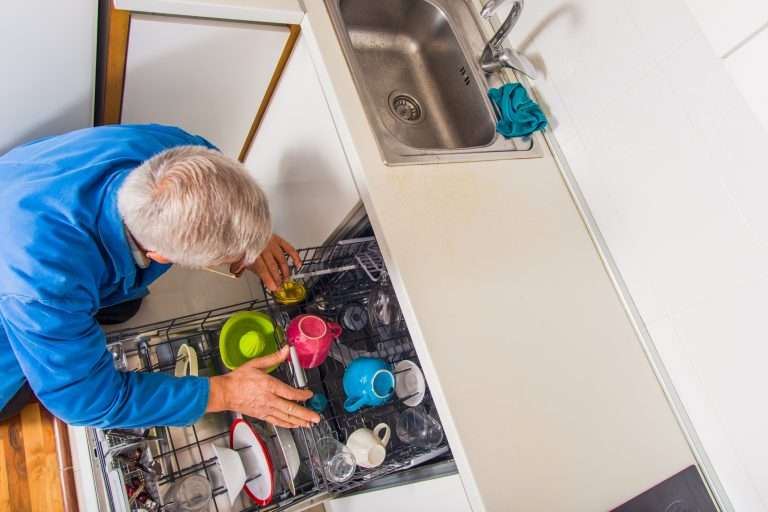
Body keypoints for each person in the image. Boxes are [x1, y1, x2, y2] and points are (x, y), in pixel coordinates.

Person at [0, 124, 321, 429]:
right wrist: (226, 392)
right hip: (12, 295)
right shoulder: (44, 286)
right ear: (159, 255)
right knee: (18, 390)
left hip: (21, 184)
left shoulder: (166, 152)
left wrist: (251, 235)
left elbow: (216, 167)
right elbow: (86, 401)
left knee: (124, 307)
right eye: (228, 259)